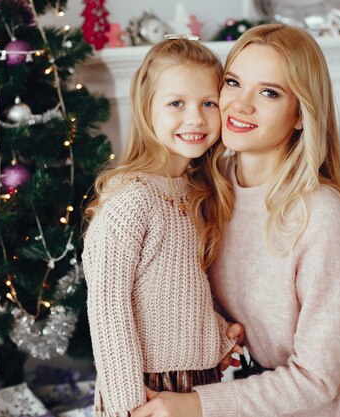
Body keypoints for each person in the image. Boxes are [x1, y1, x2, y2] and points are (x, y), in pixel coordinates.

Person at [131, 23, 340, 417]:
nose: (240, 105)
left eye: (269, 92)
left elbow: (316, 380)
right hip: (280, 395)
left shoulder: (320, 216)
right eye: (233, 83)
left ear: (301, 114)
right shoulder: (210, 189)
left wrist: (198, 404)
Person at [82, 37, 242, 417]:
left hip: (196, 383)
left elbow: (178, 291)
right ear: (146, 109)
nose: (196, 118)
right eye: (176, 104)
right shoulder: (131, 199)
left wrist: (216, 338)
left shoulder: (196, 191)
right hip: (143, 387)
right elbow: (108, 308)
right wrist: (127, 402)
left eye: (208, 103)